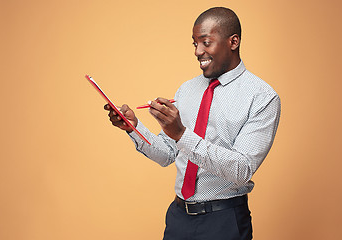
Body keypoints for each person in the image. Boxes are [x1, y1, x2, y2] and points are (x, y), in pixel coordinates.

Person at [104, 7, 280, 240]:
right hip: (179, 218)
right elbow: (167, 154)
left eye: (206, 42)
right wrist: (133, 127)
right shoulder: (187, 90)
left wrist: (181, 133)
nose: (198, 51)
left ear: (233, 41)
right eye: (195, 43)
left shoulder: (262, 97)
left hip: (224, 222)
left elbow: (241, 169)